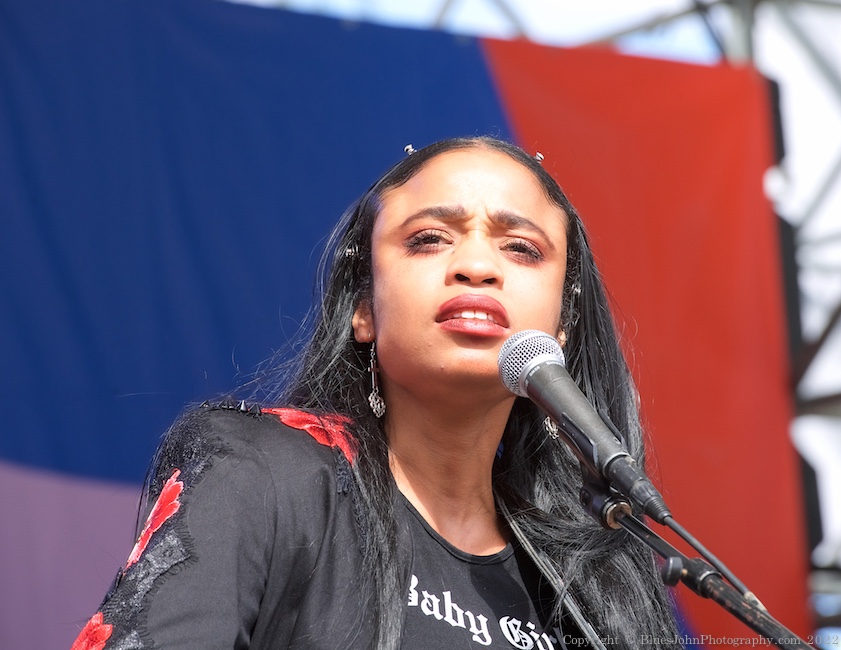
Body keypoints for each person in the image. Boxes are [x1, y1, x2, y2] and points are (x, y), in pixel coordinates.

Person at [72, 137, 680, 650]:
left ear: (560, 330)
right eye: (429, 239)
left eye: (520, 248)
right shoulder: (261, 473)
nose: (476, 265)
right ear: (364, 308)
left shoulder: (600, 576)